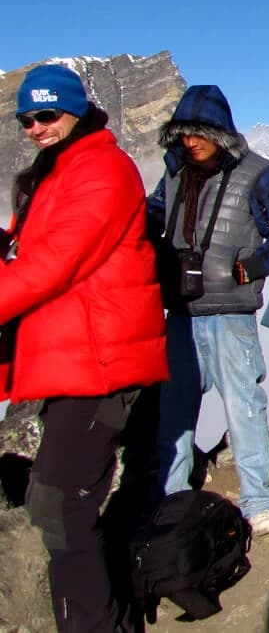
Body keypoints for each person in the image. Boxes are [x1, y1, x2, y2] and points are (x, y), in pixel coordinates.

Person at [0, 64, 167, 633]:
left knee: (60, 505)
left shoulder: (102, 170)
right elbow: (28, 246)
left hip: (103, 362)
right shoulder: (56, 173)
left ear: (77, 109)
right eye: (27, 119)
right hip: (73, 359)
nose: (37, 128)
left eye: (47, 114)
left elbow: (54, 263)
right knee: (60, 503)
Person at [148, 84, 269, 538]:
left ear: (220, 132)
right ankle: (171, 501)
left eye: (198, 132)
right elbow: (153, 220)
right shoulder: (173, 174)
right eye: (183, 133)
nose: (190, 141)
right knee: (173, 413)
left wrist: (252, 267)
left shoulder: (256, 174)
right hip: (180, 312)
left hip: (231, 315)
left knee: (244, 408)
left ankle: (258, 501)